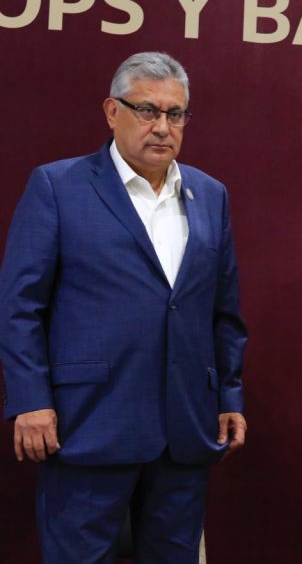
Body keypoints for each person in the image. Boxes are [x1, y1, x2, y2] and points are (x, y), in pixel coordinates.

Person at [0, 52, 248, 562]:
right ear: (112, 112)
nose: (162, 127)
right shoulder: (58, 186)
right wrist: (29, 399)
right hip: (87, 424)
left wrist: (228, 395)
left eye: (175, 114)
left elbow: (223, 312)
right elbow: (20, 307)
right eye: (147, 110)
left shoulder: (210, 194)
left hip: (185, 428)